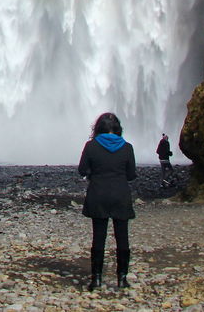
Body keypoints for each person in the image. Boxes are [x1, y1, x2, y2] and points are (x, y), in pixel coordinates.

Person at [77, 112, 136, 290]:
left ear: (98, 128)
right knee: (122, 238)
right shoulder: (127, 148)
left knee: (98, 238)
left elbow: (82, 170)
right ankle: (122, 279)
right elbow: (131, 175)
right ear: (118, 128)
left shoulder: (91, 146)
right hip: (120, 195)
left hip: (98, 193)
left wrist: (94, 173)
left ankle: (96, 279)